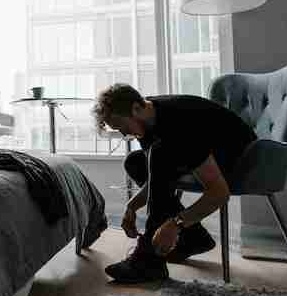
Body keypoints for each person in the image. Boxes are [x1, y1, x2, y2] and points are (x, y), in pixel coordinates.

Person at [92, 83, 257, 284]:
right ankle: (194, 238)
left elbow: (220, 193)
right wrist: (132, 206)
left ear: (136, 108)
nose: (125, 134)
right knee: (135, 162)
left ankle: (149, 261)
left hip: (242, 158)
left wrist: (176, 224)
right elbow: (156, 179)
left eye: (123, 126)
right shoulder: (147, 120)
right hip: (200, 151)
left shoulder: (179, 124)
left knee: (160, 153)